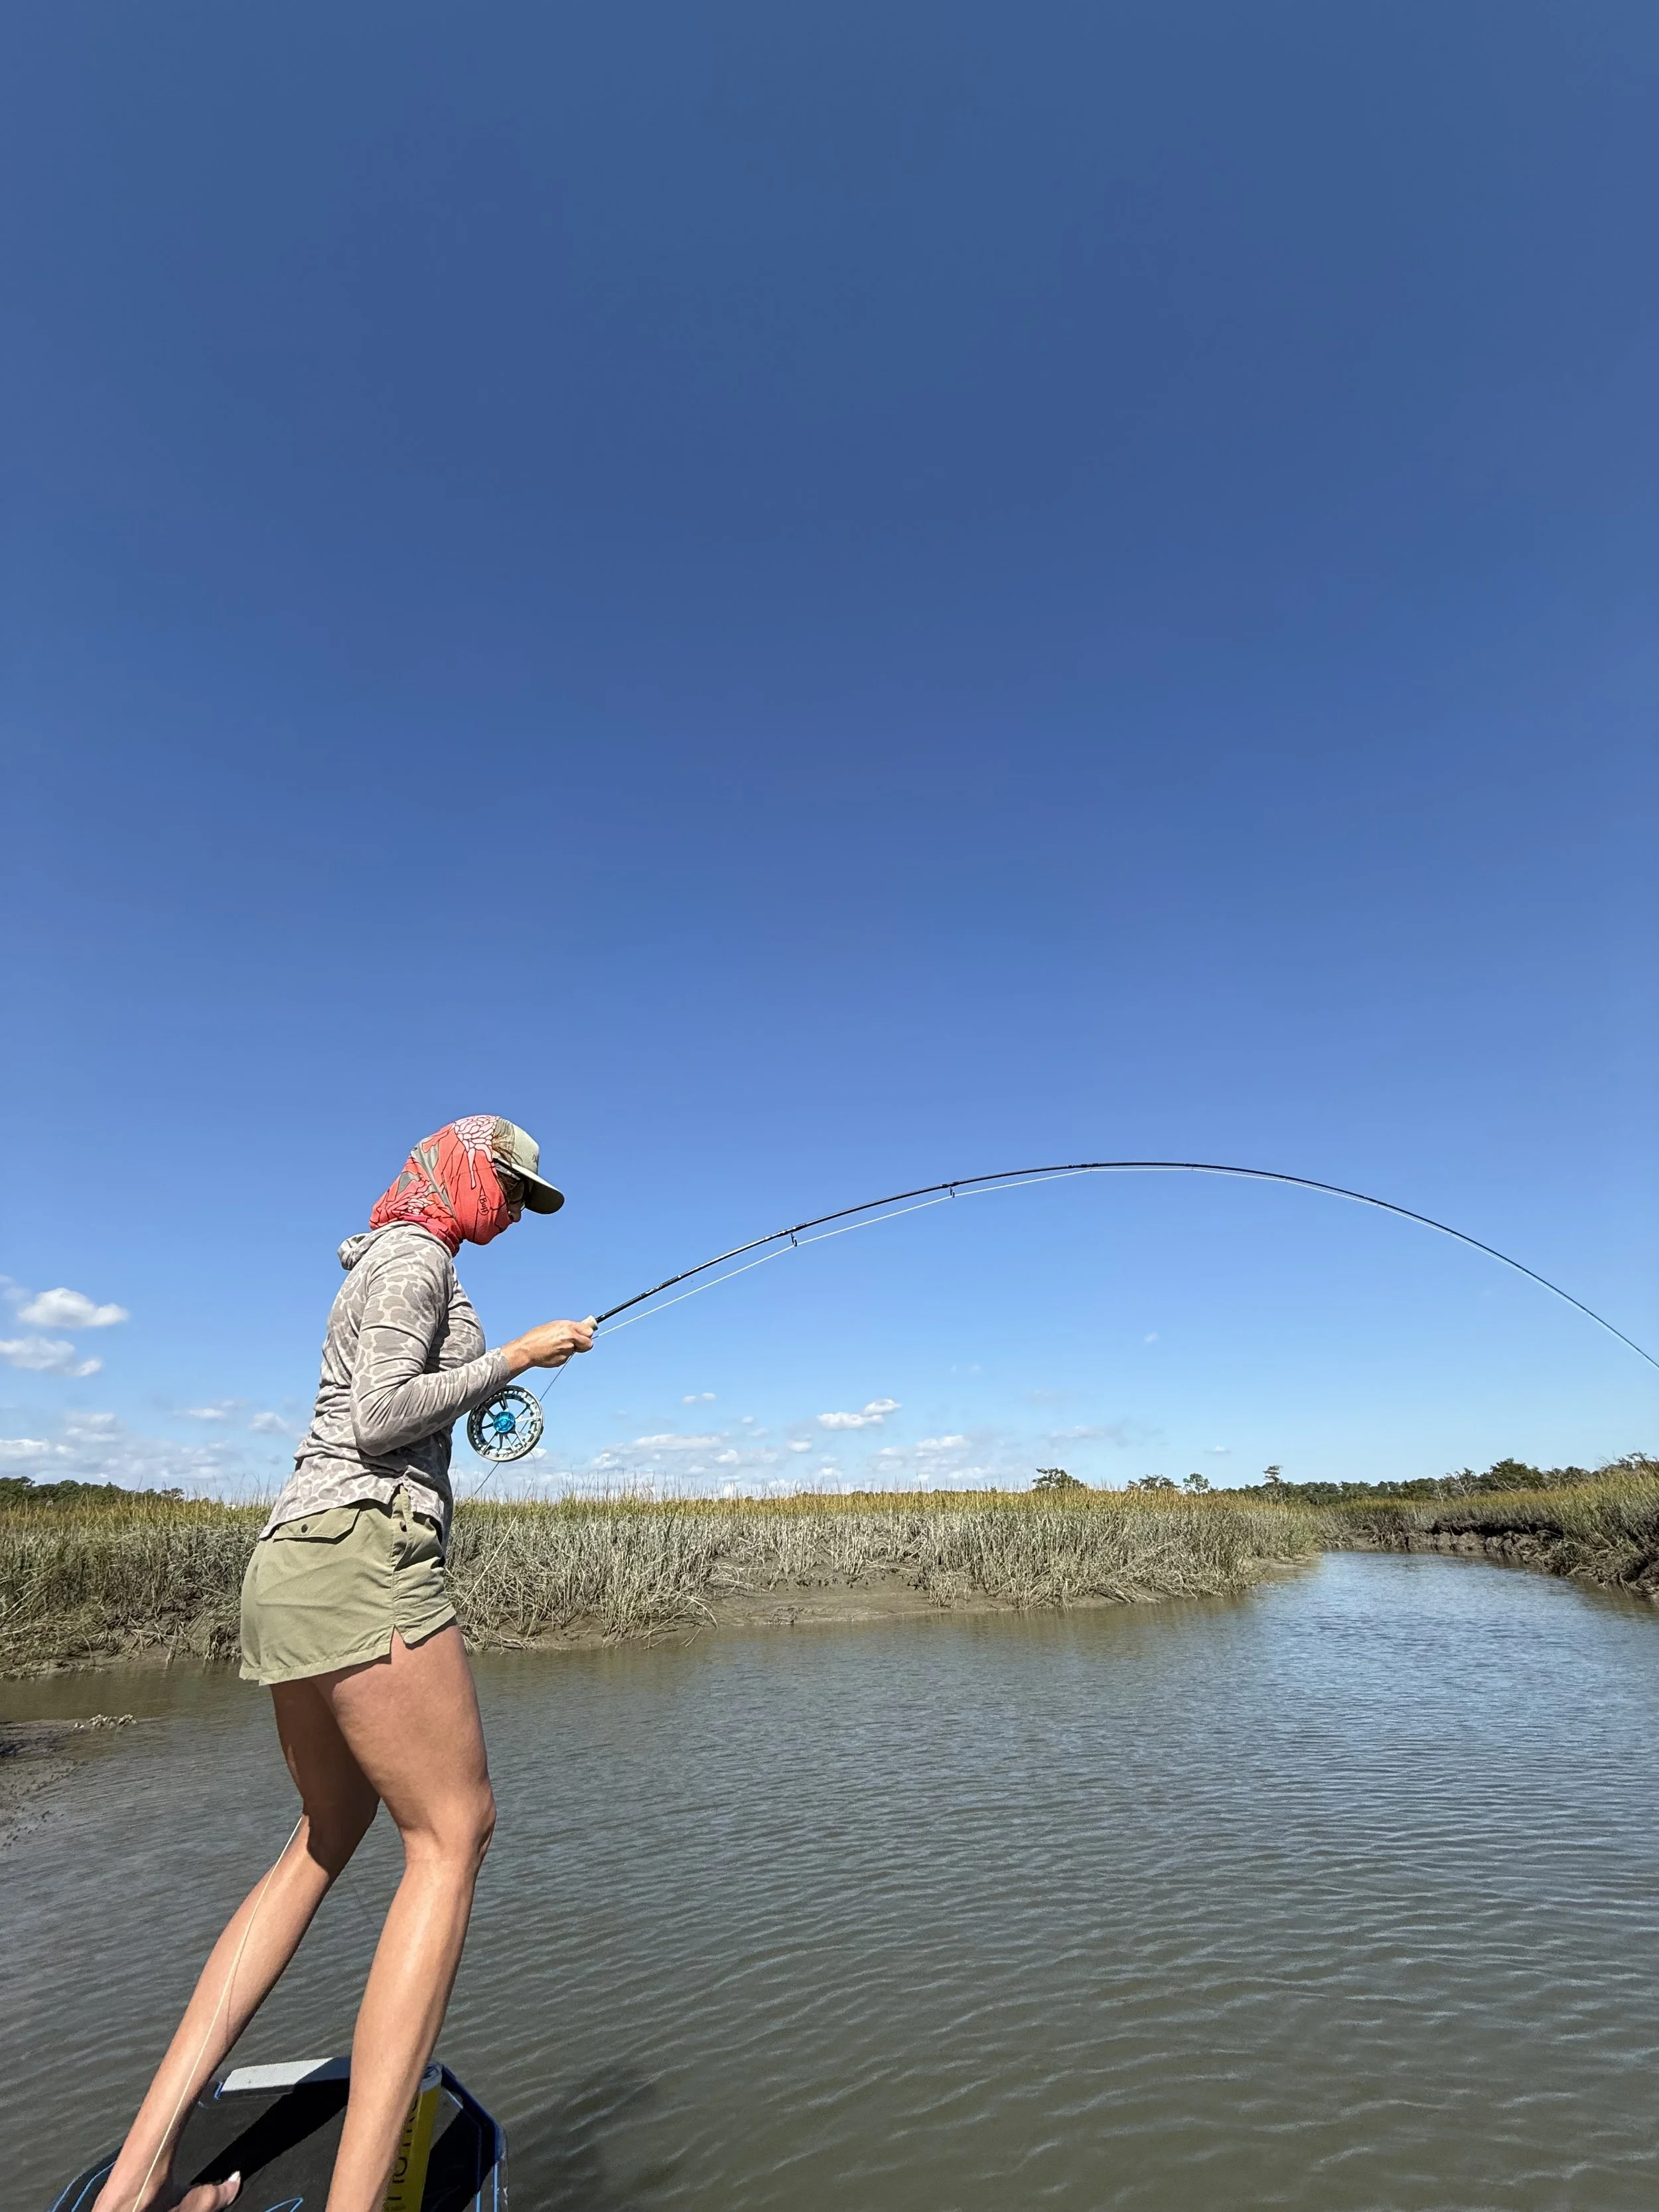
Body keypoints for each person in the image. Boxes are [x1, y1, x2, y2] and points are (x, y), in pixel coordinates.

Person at [92, 1116, 594, 2212]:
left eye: (524, 1200)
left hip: (294, 1562)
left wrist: (486, 1384)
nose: (513, 1210)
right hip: (367, 1552)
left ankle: (135, 2180)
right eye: (507, 1188)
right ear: (459, 1168)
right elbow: (376, 1418)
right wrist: (515, 1355)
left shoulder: (389, 1259)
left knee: (324, 1838)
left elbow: (398, 1402)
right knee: (452, 1836)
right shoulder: (417, 1260)